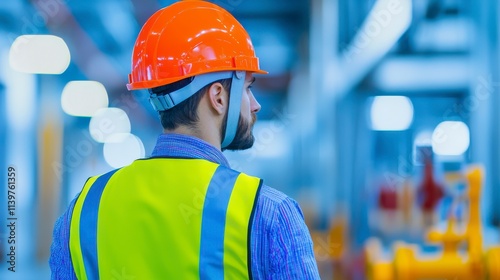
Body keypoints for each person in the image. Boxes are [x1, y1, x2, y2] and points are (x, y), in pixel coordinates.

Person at [50, 1, 320, 279]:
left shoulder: (83, 210)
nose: (255, 105)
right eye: (248, 88)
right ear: (218, 97)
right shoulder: (269, 214)